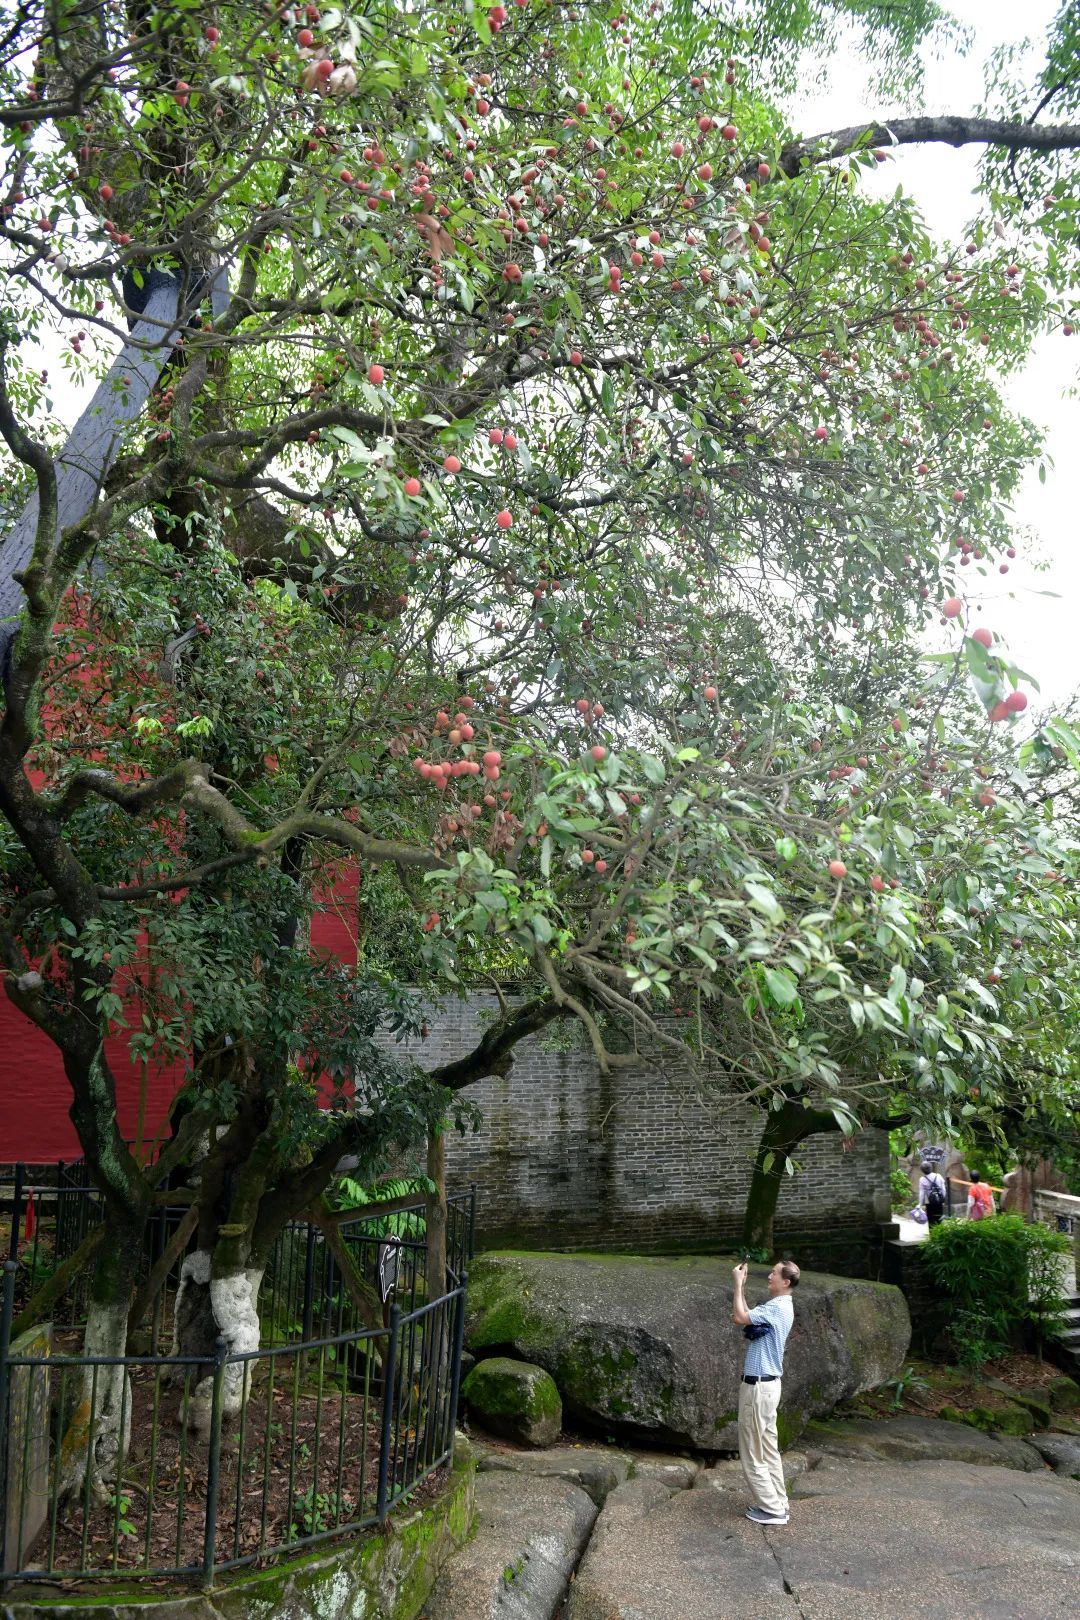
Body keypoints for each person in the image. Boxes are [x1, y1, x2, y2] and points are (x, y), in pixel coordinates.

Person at [731, 1259, 799, 1526]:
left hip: (759, 1387)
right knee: (768, 1448)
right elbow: (746, 1313)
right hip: (768, 1386)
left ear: (786, 1282)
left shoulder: (778, 1308)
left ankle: (771, 1510)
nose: (769, 1276)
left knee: (752, 1450)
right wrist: (742, 1288)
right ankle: (778, 1502)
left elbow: (739, 1317)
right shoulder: (779, 1307)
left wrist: (737, 1285)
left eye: (774, 1273)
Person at [918, 1161, 947, 1227]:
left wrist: (920, 1204)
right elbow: (943, 1189)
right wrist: (942, 1199)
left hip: (929, 1202)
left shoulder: (922, 1179)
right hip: (939, 1202)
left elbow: (922, 1193)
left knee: (931, 1220)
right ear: (931, 1168)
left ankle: (932, 1235)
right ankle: (939, 1235)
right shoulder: (938, 1176)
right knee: (939, 1219)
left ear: (922, 1170)